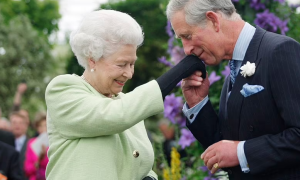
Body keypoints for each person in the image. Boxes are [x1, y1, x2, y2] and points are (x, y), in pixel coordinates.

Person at [166, 0, 300, 179]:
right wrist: (197, 104)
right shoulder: (235, 68)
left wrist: (242, 152)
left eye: (188, 36)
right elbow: (225, 151)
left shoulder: (280, 51)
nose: (186, 50)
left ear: (213, 20)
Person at [45, 9, 206, 180]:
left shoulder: (127, 103)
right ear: (92, 59)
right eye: (122, 64)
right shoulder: (62, 90)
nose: (129, 74)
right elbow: (114, 115)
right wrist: (180, 71)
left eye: (132, 64)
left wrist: (149, 177)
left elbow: (139, 162)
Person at [24, 112, 48, 180]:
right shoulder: (31, 143)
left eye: (45, 125)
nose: (43, 128)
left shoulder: (54, 143)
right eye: (40, 126)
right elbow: (27, 169)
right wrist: (38, 161)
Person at [10, 111, 29, 179]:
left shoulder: (31, 144)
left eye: (20, 123)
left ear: (26, 126)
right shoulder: (6, 144)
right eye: (14, 122)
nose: (17, 125)